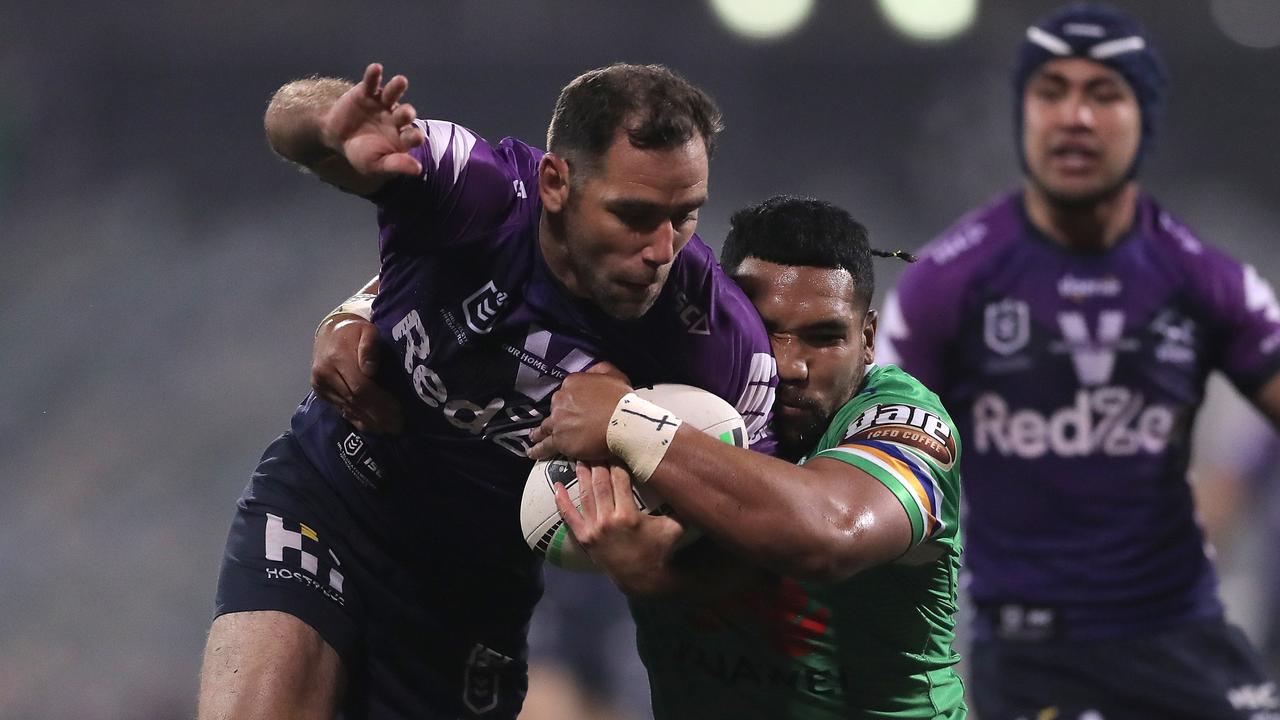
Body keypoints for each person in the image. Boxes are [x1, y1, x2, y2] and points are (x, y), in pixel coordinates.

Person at [197, 62, 779, 720]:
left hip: (471, 593)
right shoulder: (479, 190)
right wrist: (328, 125)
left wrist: (661, 573)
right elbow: (292, 121)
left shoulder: (719, 336)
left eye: (684, 217)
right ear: (556, 182)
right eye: (634, 216)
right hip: (335, 501)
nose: (660, 250)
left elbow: (759, 542)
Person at [876, 5, 1280, 718]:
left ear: (1144, 117)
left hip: (1184, 637)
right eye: (1051, 91)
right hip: (1032, 652)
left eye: (1104, 93)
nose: (1075, 117)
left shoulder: (1210, 281)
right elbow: (871, 468)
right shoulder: (945, 287)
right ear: (1022, 114)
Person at [528, 195, 967, 719]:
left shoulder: (904, 420)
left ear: (868, 340)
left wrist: (627, 426)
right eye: (765, 329)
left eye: (824, 337)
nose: (789, 365)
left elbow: (829, 532)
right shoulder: (672, 393)